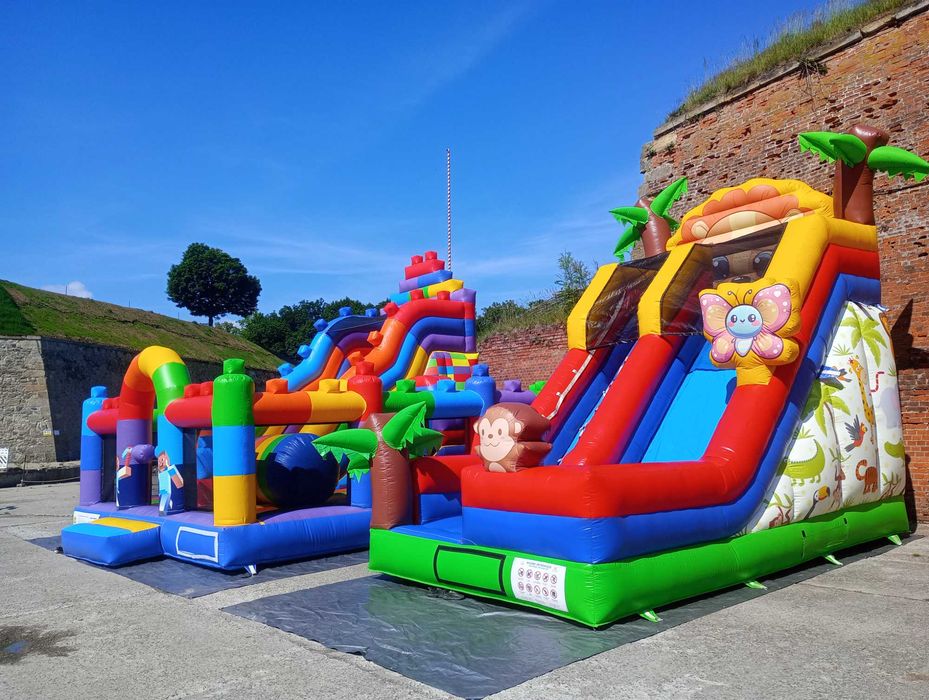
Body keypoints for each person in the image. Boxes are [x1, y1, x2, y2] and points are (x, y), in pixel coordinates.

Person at [155, 448, 184, 515]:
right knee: (163, 508)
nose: (161, 462)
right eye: (159, 461)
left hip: (166, 493)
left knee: (163, 508)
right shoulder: (161, 472)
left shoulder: (170, 469)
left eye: (162, 460)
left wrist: (169, 466)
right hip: (163, 493)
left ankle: (169, 507)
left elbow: (179, 484)